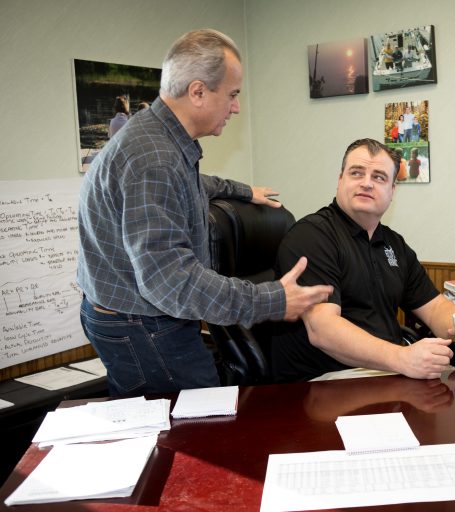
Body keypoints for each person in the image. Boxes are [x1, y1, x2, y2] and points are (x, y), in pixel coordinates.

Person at [78, 29, 332, 397]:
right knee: (200, 430)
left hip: (129, 314)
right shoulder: (154, 158)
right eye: (232, 94)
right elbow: (171, 280)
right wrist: (273, 299)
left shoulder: (157, 136)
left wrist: (246, 191)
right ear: (197, 92)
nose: (236, 107)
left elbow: (195, 185)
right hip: (142, 326)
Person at [271, 138, 455, 382]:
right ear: (340, 179)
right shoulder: (312, 236)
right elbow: (322, 330)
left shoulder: (393, 244)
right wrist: (402, 357)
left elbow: (435, 306)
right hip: (326, 381)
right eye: (356, 173)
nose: (366, 183)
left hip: (386, 370)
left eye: (379, 177)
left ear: (392, 191)